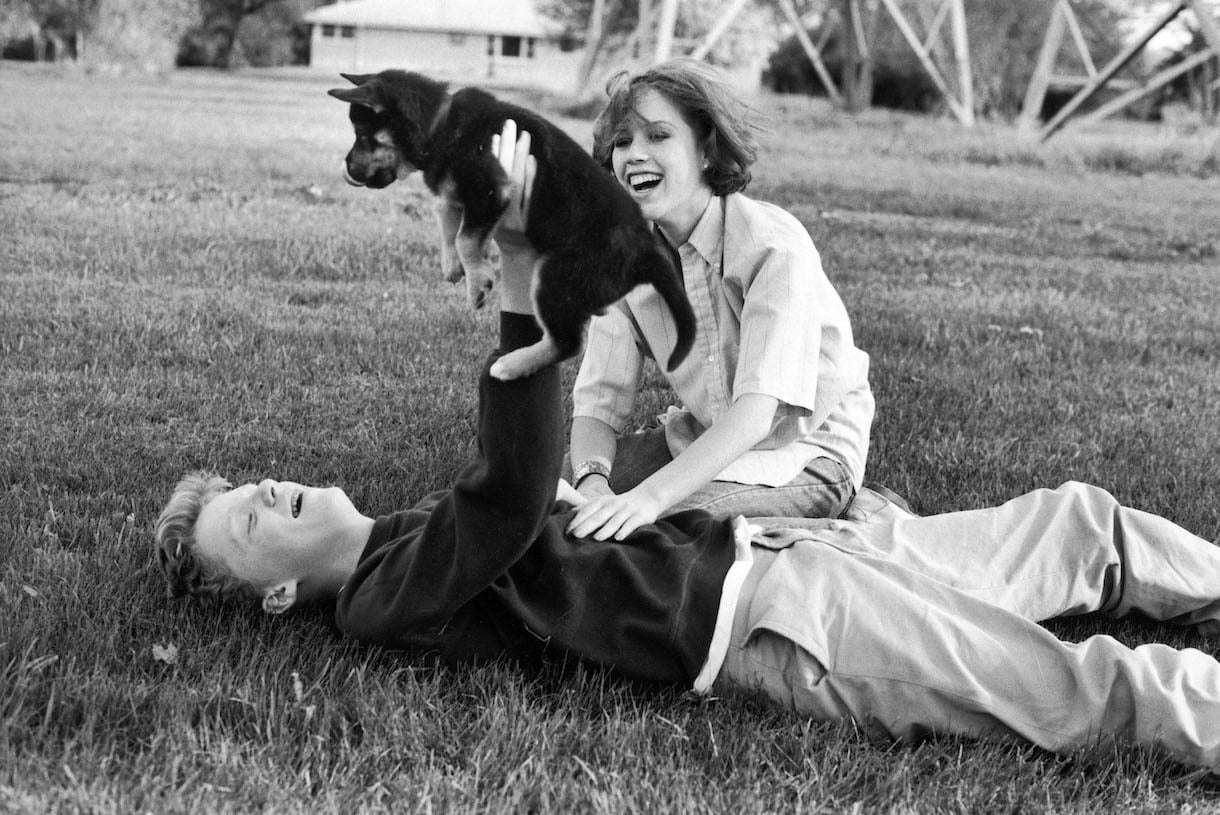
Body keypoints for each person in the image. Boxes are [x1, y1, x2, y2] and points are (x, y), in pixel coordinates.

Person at [155, 123, 1220, 774]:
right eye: (248, 519)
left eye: (252, 481)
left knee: (1078, 521)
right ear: (277, 598)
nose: (271, 488)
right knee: (1075, 691)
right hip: (776, 622)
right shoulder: (388, 593)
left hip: (782, 546)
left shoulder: (406, 531)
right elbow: (510, 494)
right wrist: (521, 281)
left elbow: (542, 489)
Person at [565, 59, 876, 543]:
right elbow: (599, 402)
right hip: (703, 441)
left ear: (706, 149)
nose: (634, 155)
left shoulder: (773, 247)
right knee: (542, 489)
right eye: (623, 142)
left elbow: (755, 415)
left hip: (806, 456)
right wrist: (592, 482)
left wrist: (646, 499)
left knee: (656, 533)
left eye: (658, 136)